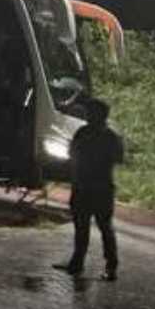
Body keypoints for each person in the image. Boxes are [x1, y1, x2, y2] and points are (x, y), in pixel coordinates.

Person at [55, 98, 124, 281]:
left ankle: (79, 264)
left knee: (84, 227)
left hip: (85, 186)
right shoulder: (111, 136)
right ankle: (109, 267)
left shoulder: (84, 133)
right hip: (101, 187)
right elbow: (119, 158)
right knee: (103, 228)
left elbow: (72, 154)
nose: (86, 116)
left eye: (89, 113)